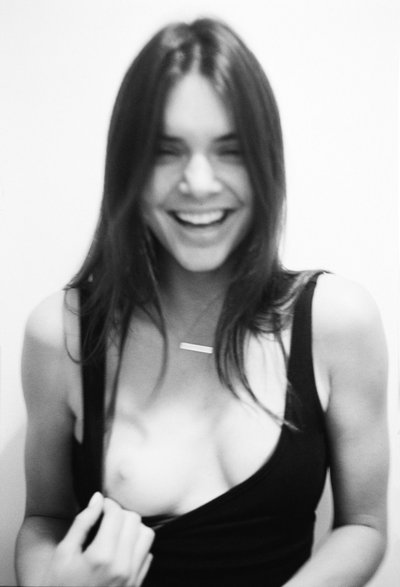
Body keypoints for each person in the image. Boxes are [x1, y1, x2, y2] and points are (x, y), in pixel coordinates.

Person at [15, 17, 389, 587]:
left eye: (230, 151)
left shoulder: (338, 322)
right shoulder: (62, 333)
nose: (198, 182)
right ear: (129, 168)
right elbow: (44, 518)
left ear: (265, 162)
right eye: (166, 151)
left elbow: (363, 524)